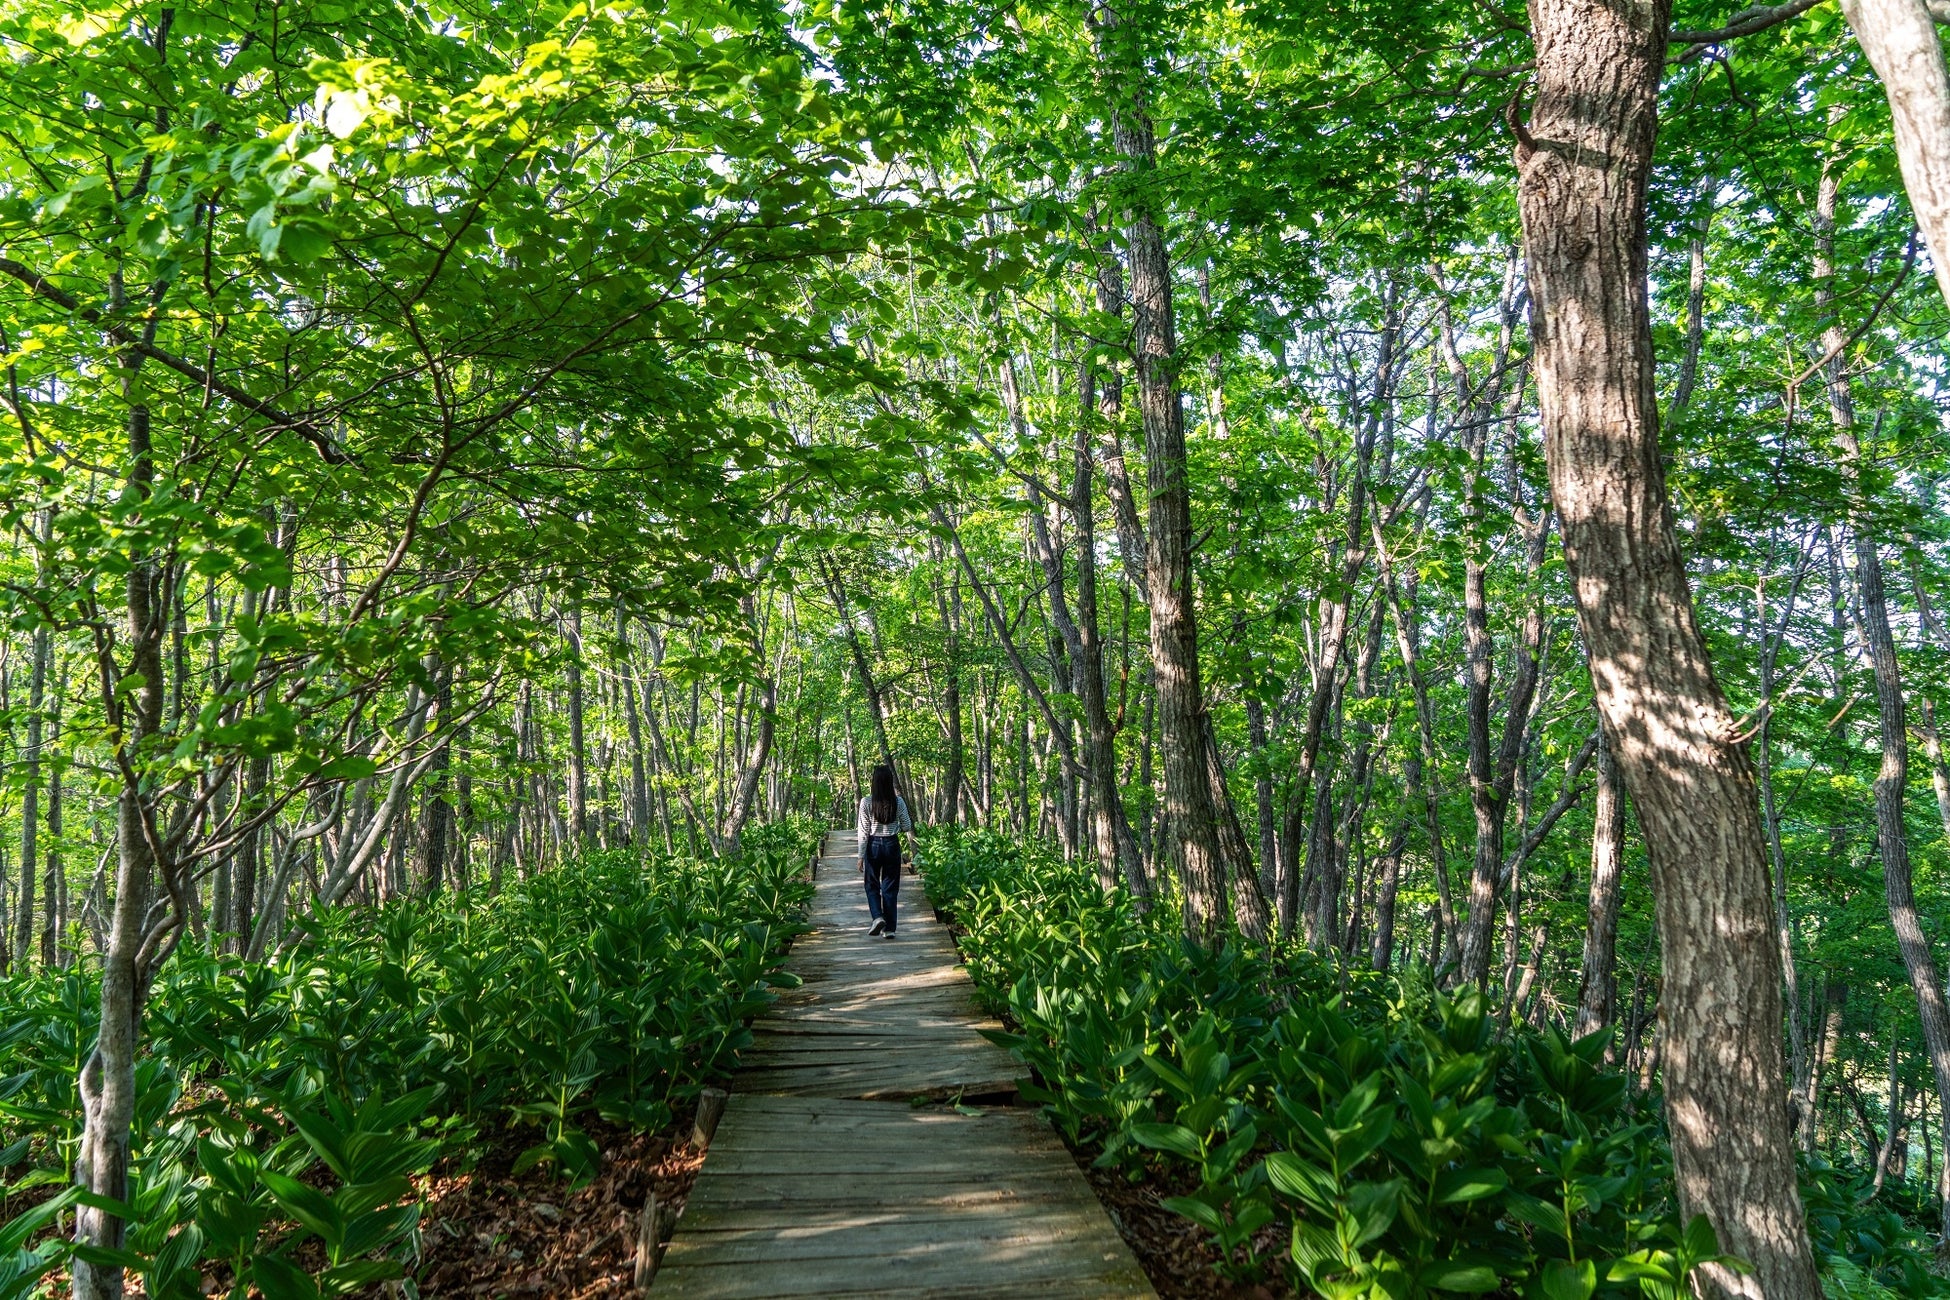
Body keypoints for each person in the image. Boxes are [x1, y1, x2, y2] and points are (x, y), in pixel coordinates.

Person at [856, 763, 912, 937]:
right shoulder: (898, 801)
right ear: (890, 782)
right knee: (890, 887)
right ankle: (890, 930)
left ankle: (878, 917)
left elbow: (863, 831)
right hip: (892, 845)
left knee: (871, 884)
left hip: (872, 845)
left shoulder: (866, 802)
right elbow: (907, 825)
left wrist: (860, 856)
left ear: (874, 782)